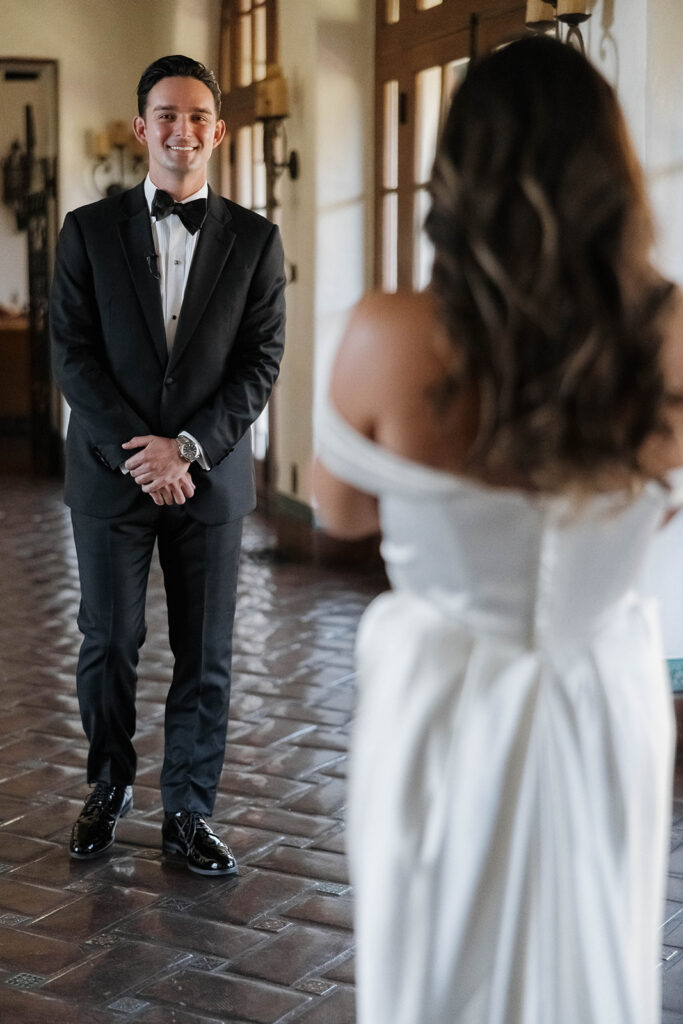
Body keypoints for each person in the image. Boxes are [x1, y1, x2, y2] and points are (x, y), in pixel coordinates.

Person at [314, 35, 683, 1024]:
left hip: (441, 695)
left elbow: (339, 514)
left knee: (431, 962)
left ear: (457, 171)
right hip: (603, 692)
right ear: (612, 175)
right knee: (593, 946)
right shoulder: (670, 338)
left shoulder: (384, 335)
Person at [50, 54, 285, 875]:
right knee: (108, 641)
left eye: (195, 116)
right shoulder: (85, 230)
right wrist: (142, 454)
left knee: (205, 652)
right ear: (142, 127)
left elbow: (261, 361)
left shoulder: (257, 241)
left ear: (216, 132)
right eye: (165, 115)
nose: (180, 129)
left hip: (209, 478)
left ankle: (188, 812)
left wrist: (186, 449)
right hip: (109, 474)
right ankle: (108, 785)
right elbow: (73, 354)